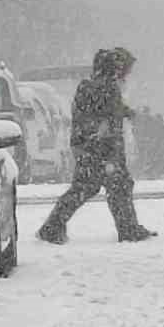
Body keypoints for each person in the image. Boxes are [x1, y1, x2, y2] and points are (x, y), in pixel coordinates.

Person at [36, 46, 157, 244]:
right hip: (101, 148)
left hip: (91, 146)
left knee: (89, 187)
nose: (127, 74)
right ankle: (127, 229)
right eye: (126, 69)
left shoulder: (94, 85)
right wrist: (106, 142)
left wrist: (128, 113)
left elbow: (104, 111)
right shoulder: (105, 87)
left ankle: (53, 226)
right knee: (114, 186)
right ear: (116, 68)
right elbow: (106, 115)